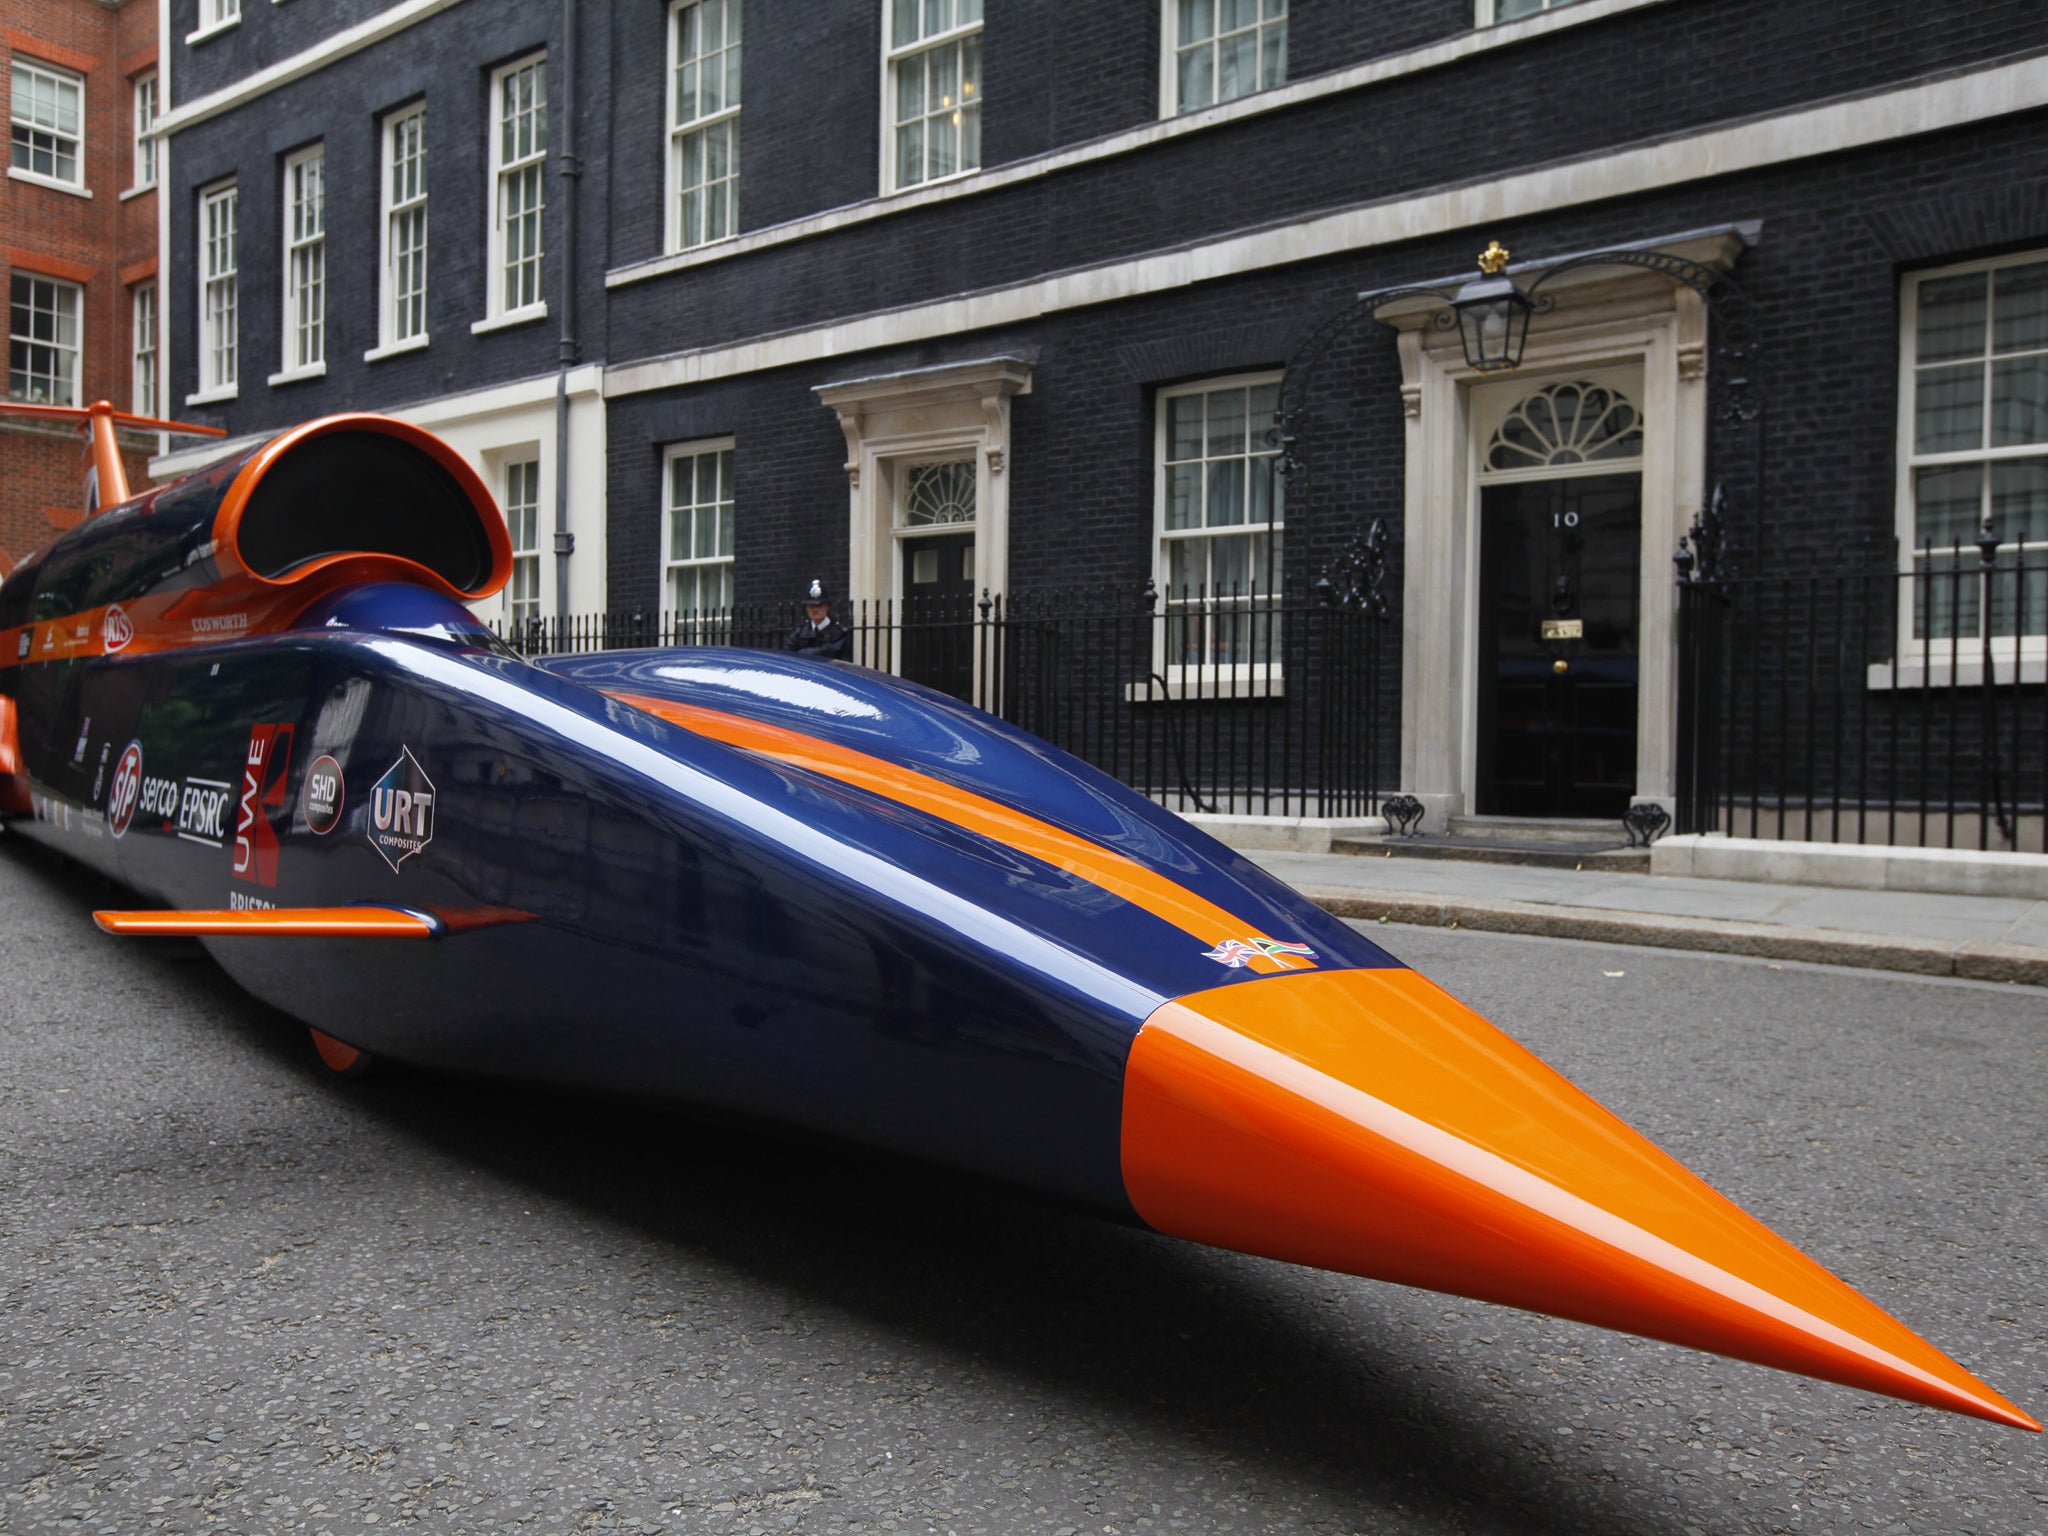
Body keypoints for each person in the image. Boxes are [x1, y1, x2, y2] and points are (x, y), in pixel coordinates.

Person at [784, 577, 852, 660]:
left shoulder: (839, 634)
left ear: (827, 607)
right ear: (806, 608)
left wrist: (804, 653)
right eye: (811, 606)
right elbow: (788, 656)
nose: (815, 609)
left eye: (819, 606)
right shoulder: (798, 633)